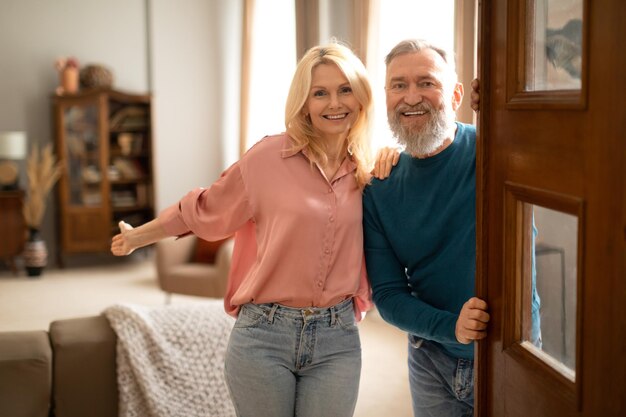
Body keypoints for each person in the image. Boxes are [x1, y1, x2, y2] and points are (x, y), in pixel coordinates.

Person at [111, 42, 398, 417]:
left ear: (361, 97)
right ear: (304, 102)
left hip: (337, 338)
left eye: (345, 90)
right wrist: (138, 237)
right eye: (320, 93)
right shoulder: (267, 159)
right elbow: (204, 208)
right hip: (265, 335)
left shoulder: (371, 170)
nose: (335, 103)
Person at [362, 39, 488, 417]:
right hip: (429, 358)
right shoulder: (378, 186)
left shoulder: (495, 152)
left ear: (456, 94)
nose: (411, 97)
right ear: (385, 96)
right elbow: (387, 294)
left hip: (505, 353)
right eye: (398, 85)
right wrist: (453, 328)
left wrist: (503, 107)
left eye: (427, 83)